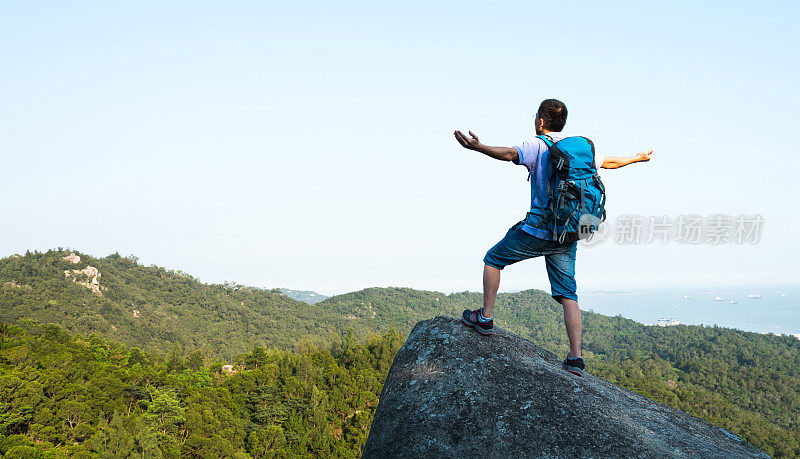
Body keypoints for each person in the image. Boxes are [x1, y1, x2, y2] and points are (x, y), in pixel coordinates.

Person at [453, 99, 653, 376]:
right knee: (568, 294)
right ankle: (576, 357)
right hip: (569, 231)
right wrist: (637, 158)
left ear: (541, 121)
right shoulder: (580, 149)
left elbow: (510, 154)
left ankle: (485, 318)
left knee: (493, 259)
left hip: (539, 229)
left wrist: (479, 147)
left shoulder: (538, 144)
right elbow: (609, 162)